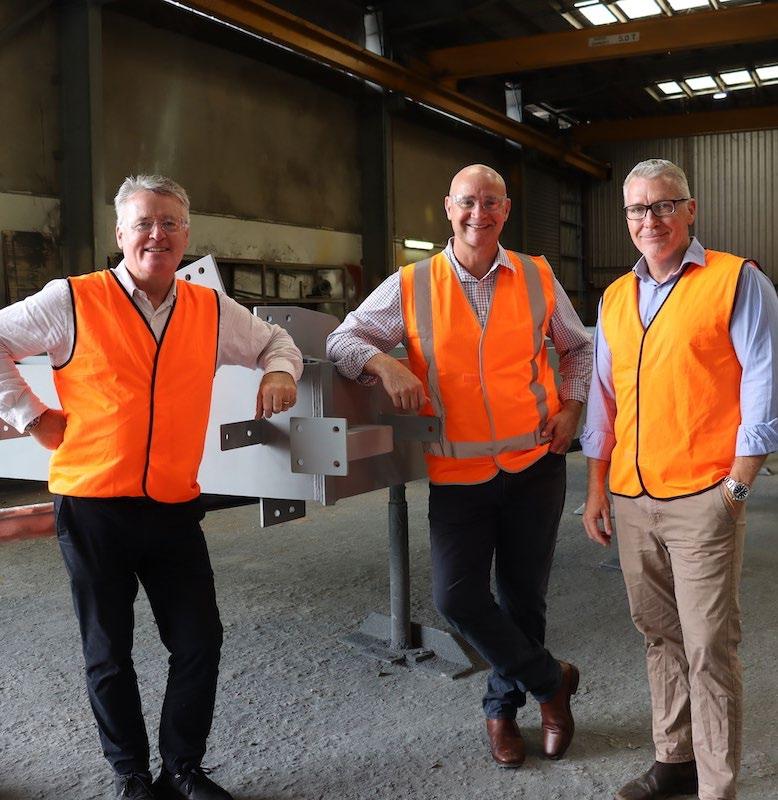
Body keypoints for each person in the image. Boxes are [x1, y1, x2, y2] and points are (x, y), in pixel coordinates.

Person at [0, 175, 304, 800]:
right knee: (108, 651)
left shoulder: (208, 309)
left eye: (170, 223)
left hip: (172, 506)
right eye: (143, 223)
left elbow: (276, 339)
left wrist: (279, 372)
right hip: (92, 506)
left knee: (198, 643)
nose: (156, 235)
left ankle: (183, 768)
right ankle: (131, 774)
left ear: (186, 236)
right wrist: (32, 416)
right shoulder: (73, 300)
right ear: (120, 233)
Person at [327, 163, 592, 768]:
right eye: (468, 202)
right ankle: (550, 681)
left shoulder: (536, 275)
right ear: (449, 207)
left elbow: (577, 346)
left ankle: (503, 711)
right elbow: (342, 340)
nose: (480, 213)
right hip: (458, 473)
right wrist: (385, 363)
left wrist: (573, 407)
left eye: (492, 202)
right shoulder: (413, 283)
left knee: (523, 599)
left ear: (506, 209)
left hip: (535, 462)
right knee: (456, 598)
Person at [581, 159, 778, 800]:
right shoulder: (615, 297)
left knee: (708, 647)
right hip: (632, 497)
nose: (651, 219)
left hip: (704, 498)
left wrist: (738, 485)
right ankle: (674, 760)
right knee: (659, 636)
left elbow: (764, 382)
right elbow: (604, 401)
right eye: (638, 209)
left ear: (689, 210)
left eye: (664, 205)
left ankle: (716, 786)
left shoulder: (735, 280)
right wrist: (596, 487)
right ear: (627, 218)